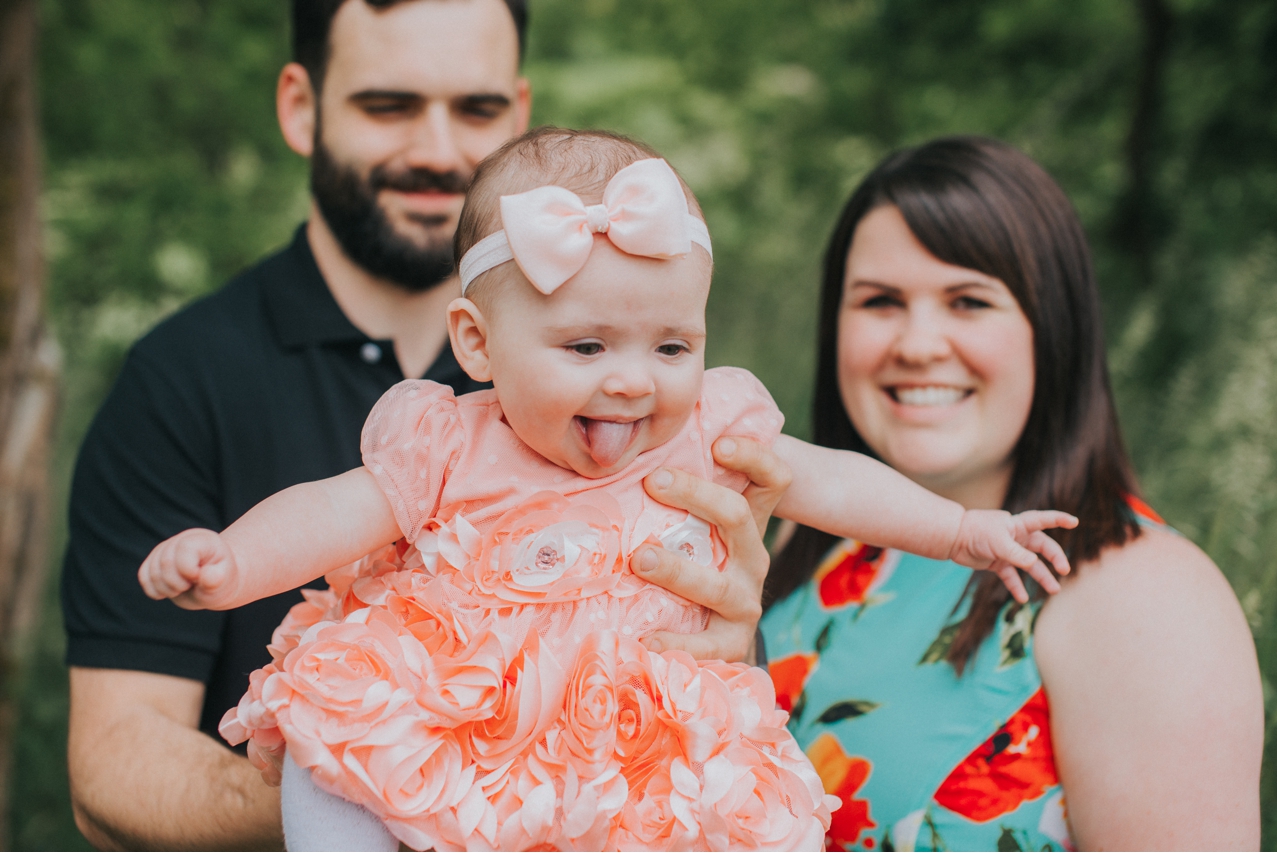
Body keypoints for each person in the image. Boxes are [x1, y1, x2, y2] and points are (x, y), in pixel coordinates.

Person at [139, 128, 1077, 851]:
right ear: (478, 344)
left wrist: (961, 529)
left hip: (634, 740)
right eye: (585, 346)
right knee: (338, 753)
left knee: (716, 812)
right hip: (463, 703)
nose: (632, 380)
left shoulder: (709, 429)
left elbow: (832, 479)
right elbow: (334, 510)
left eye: (671, 345)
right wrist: (233, 562)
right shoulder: (450, 443)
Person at [61, 3, 787, 849]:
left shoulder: (627, 390)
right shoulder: (182, 375)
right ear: (300, 105)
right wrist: (390, 781)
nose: (439, 150)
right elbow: (112, 766)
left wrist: (725, 654)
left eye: (476, 109)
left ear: (519, 112)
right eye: (390, 104)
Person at [760, 136, 1264, 851]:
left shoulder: (1146, 599)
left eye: (968, 301)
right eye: (880, 301)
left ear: (1052, 329)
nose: (918, 344)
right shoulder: (808, 535)